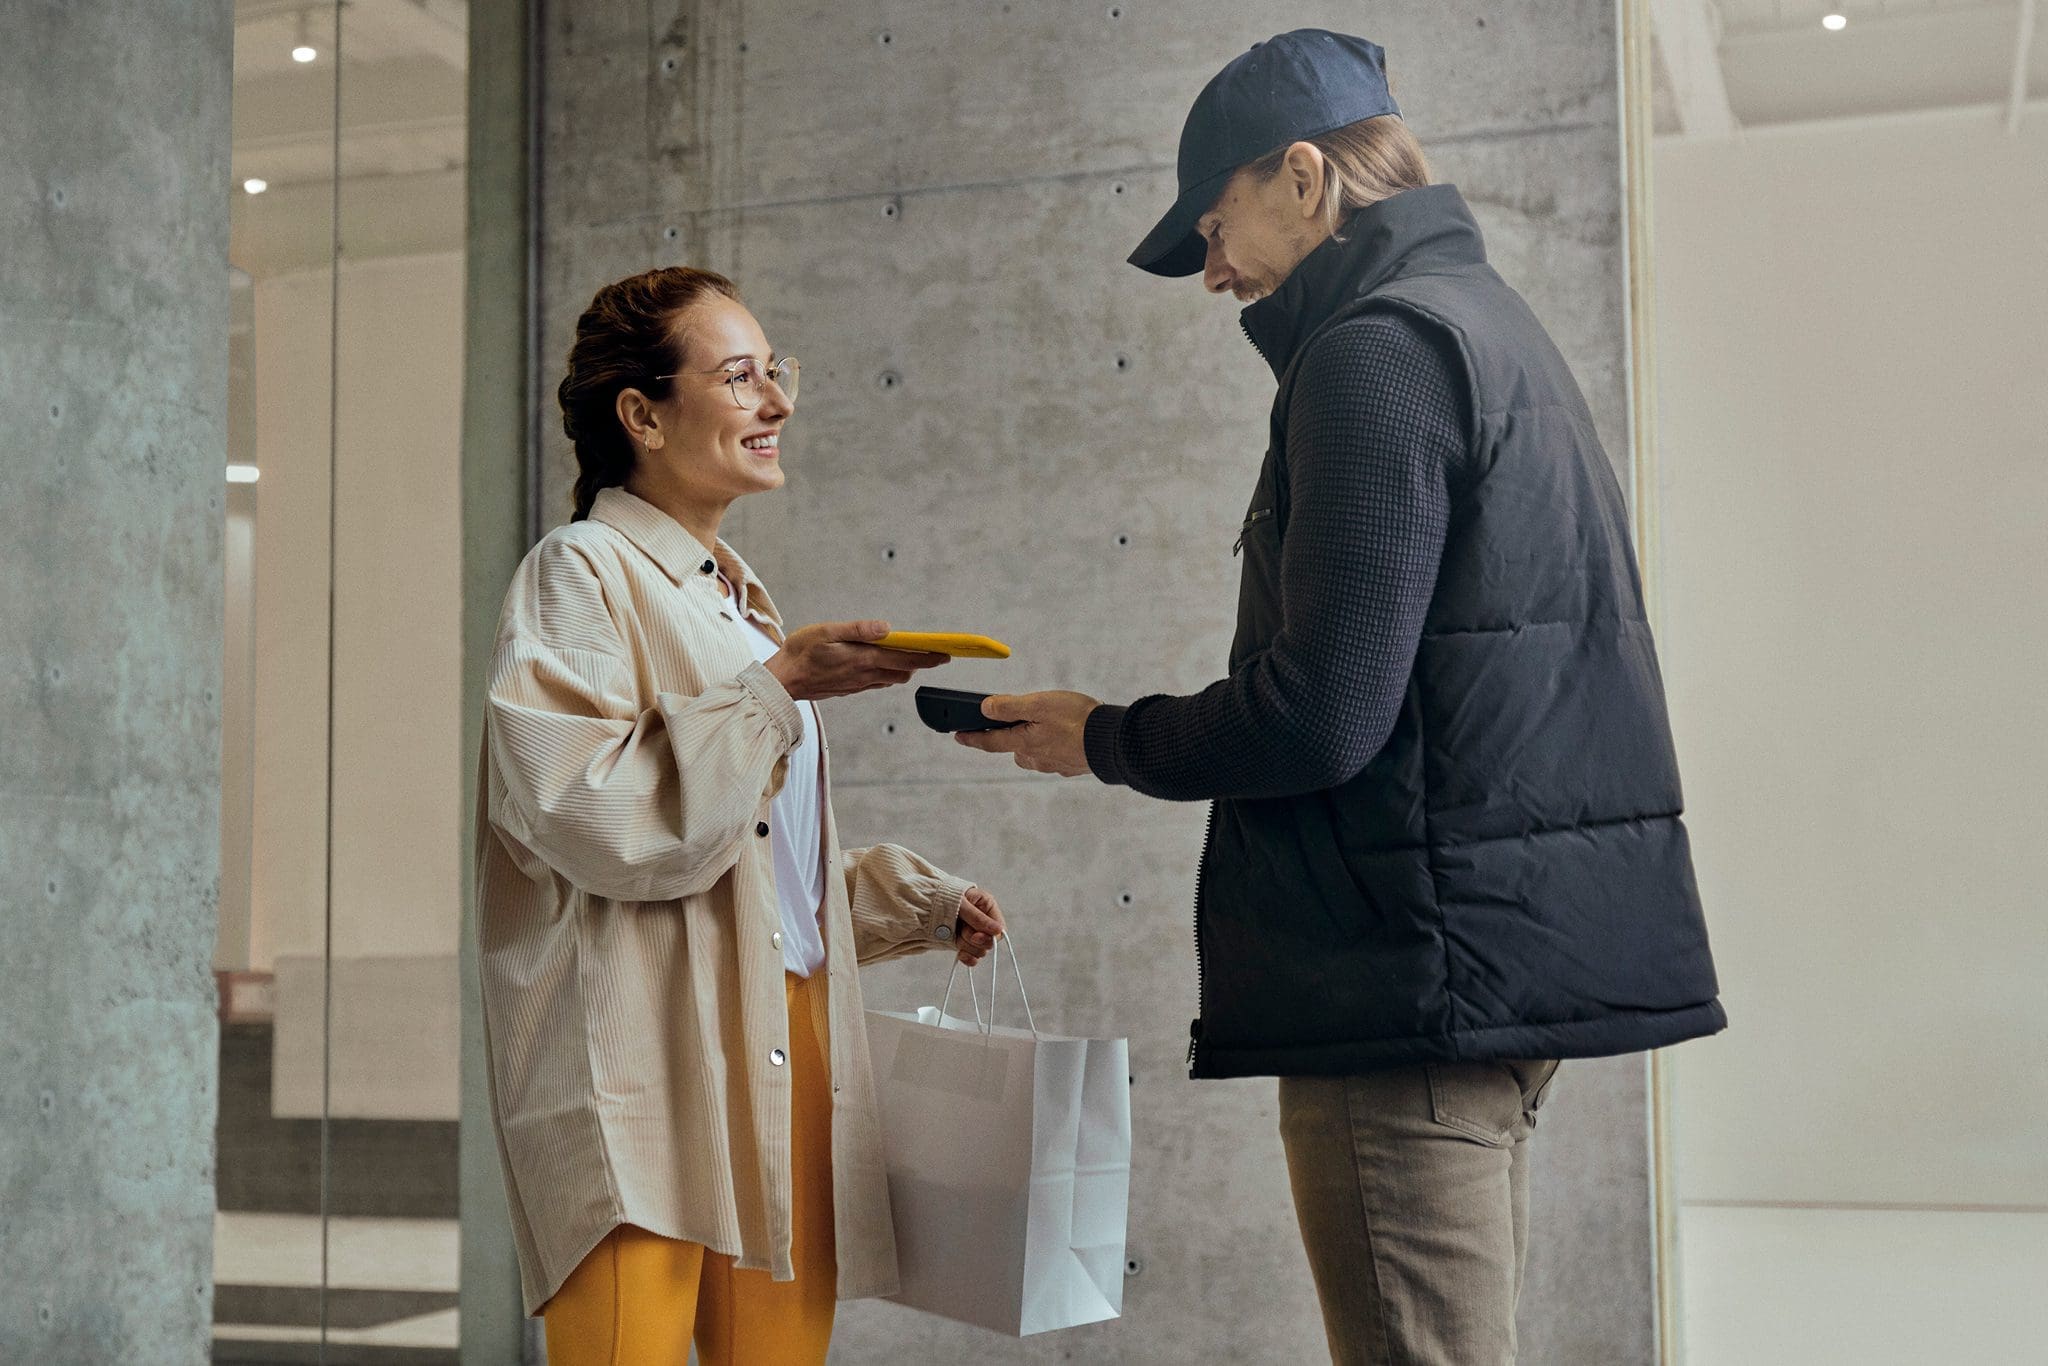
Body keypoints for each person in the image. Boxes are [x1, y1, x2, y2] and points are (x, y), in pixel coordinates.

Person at [955, 30, 1725, 1366]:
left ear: (1305, 177)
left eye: (1215, 226)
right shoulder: (1489, 328)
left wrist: (1106, 737)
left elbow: (1324, 712)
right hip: (1480, 966)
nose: (1213, 274)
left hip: (1400, 983)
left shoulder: (1372, 354)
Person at [475, 265, 1008, 1365]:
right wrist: (773, 689)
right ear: (642, 413)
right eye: (739, 376)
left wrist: (912, 903)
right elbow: (591, 816)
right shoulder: (581, 572)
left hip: (790, 1039)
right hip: (646, 1061)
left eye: (778, 374)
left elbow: (748, 861)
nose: (776, 402)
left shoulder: (734, 598)